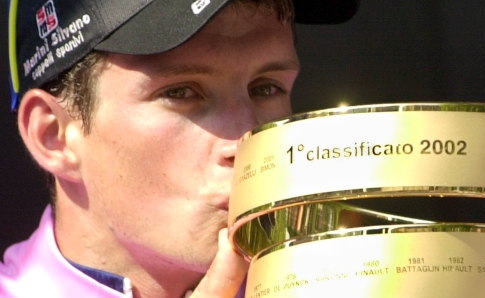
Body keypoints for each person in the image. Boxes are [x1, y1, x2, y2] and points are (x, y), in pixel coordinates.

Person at [1, 0, 358, 297]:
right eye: (181, 92)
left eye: (265, 88)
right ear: (53, 135)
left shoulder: (352, 281)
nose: (246, 142)